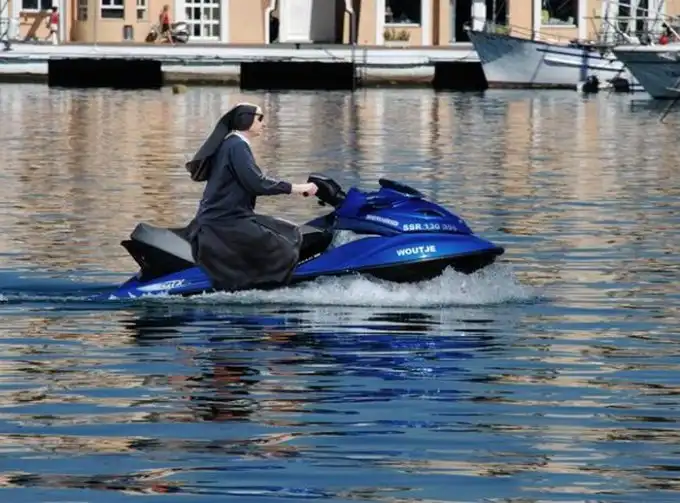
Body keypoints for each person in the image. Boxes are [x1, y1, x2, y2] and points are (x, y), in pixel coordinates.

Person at [184, 103, 318, 292]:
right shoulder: (237, 145)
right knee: (285, 245)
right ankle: (268, 288)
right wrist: (298, 188)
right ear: (245, 119)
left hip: (227, 218)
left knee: (290, 231)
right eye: (260, 118)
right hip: (224, 222)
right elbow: (257, 183)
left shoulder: (232, 144)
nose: (264, 123)